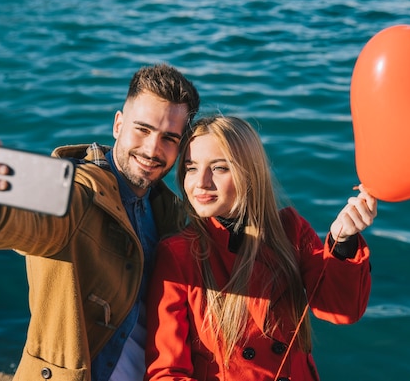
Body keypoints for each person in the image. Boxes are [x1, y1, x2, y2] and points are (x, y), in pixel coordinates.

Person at [0, 63, 201, 381]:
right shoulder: (76, 187)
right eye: (143, 129)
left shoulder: (170, 212)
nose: (152, 149)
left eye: (169, 138)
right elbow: (35, 221)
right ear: (118, 124)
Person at [144, 115, 377, 381]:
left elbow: (341, 310)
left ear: (249, 172)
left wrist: (343, 240)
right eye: (191, 167)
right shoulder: (178, 254)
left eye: (219, 168)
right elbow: (166, 371)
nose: (201, 182)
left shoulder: (289, 230)